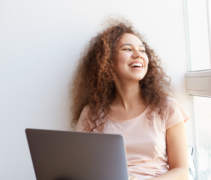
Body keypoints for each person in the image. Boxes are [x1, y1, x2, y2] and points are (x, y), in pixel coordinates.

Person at [70, 17, 190, 180]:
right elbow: (82, 169)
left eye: (142, 50)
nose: (138, 55)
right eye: (127, 49)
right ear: (108, 62)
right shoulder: (91, 113)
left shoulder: (168, 108)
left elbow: (181, 172)